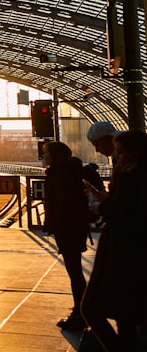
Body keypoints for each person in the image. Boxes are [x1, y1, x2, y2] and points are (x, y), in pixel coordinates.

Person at [81, 130, 147, 350]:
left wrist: (100, 207)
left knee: (91, 309)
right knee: (125, 313)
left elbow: (126, 213)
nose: (116, 157)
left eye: (120, 152)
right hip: (131, 252)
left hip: (122, 250)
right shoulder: (136, 175)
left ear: (135, 153)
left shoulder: (131, 176)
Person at [41, 141, 92, 331]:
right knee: (75, 271)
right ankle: (82, 311)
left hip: (68, 229)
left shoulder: (61, 174)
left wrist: (54, 224)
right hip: (74, 228)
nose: (43, 157)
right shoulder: (68, 171)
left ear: (54, 156)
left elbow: (64, 203)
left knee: (75, 272)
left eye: (46, 153)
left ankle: (81, 314)